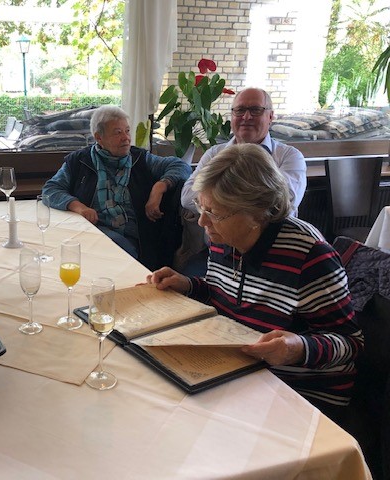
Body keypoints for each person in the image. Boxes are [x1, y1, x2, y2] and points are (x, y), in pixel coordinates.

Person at [147, 144, 363, 417]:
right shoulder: (224, 237)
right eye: (202, 207)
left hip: (300, 392)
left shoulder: (309, 255)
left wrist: (298, 348)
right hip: (241, 372)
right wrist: (189, 285)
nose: (202, 221)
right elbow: (223, 294)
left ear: (257, 212)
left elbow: (351, 343)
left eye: (214, 212)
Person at [42, 105, 192, 270]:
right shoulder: (80, 161)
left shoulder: (141, 159)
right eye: (118, 133)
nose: (126, 138)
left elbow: (181, 166)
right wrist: (79, 207)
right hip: (93, 230)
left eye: (127, 131)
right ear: (99, 137)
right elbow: (50, 189)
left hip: (135, 237)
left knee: (109, 252)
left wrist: (160, 187)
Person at [178, 88, 307, 276]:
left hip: (274, 255)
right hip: (218, 253)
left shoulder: (290, 156)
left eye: (255, 110)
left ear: (270, 116)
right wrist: (245, 199)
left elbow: (283, 203)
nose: (246, 116)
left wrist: (219, 196)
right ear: (232, 115)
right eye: (239, 110)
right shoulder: (214, 153)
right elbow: (187, 196)